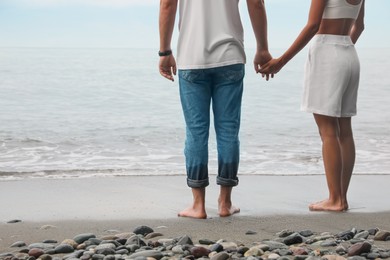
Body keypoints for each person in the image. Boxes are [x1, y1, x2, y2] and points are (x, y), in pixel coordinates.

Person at [159, 0, 272, 219]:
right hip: (230, 55)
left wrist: (164, 52)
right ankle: (225, 202)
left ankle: (198, 205)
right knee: (228, 130)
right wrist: (263, 48)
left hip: (192, 57)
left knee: (196, 131)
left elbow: (167, 5)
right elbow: (256, 4)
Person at [260, 0, 365, 211]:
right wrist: (343, 49)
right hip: (349, 53)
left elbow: (312, 25)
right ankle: (341, 197)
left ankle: (335, 199)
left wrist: (281, 61)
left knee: (328, 131)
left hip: (327, 54)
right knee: (345, 131)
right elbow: (360, 25)